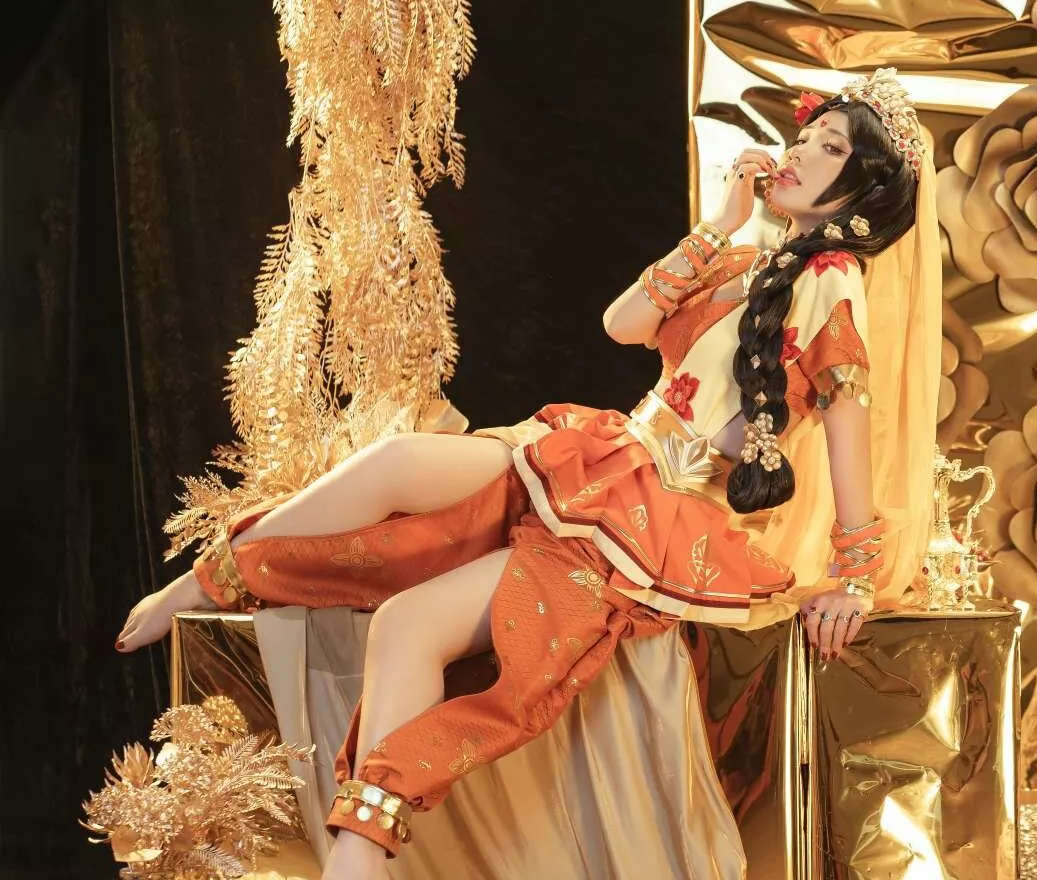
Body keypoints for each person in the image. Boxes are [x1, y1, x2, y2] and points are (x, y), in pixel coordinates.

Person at [115, 68, 940, 879]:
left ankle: (355, 863)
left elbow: (846, 416)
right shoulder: (750, 263)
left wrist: (854, 575)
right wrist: (721, 223)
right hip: (600, 455)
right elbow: (624, 324)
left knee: (408, 624)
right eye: (805, 135)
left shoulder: (832, 279)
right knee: (399, 466)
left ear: (864, 190)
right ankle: (212, 577)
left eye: (829, 148)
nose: (798, 152)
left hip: (648, 515)